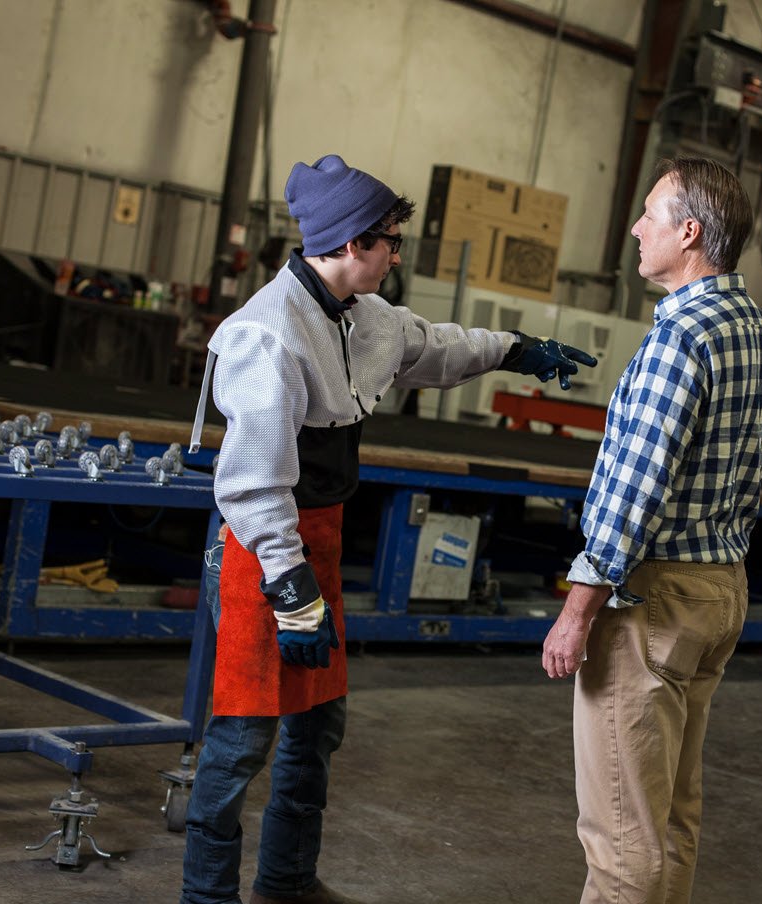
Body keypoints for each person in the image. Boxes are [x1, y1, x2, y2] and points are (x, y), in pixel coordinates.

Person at [181, 154, 596, 904]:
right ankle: (205, 898)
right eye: (387, 242)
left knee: (315, 732)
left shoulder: (363, 316)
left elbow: (433, 347)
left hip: (323, 543)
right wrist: (291, 589)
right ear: (345, 243)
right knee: (244, 738)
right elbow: (250, 485)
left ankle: (286, 882)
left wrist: (514, 349)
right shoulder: (266, 335)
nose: (395, 255)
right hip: (263, 552)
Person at [540, 156, 762, 904]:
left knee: (619, 841)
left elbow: (632, 491)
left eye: (650, 215)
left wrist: (577, 610)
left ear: (688, 231)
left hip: (653, 603)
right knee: (669, 819)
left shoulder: (680, 338)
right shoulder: (756, 332)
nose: (636, 228)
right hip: (718, 593)